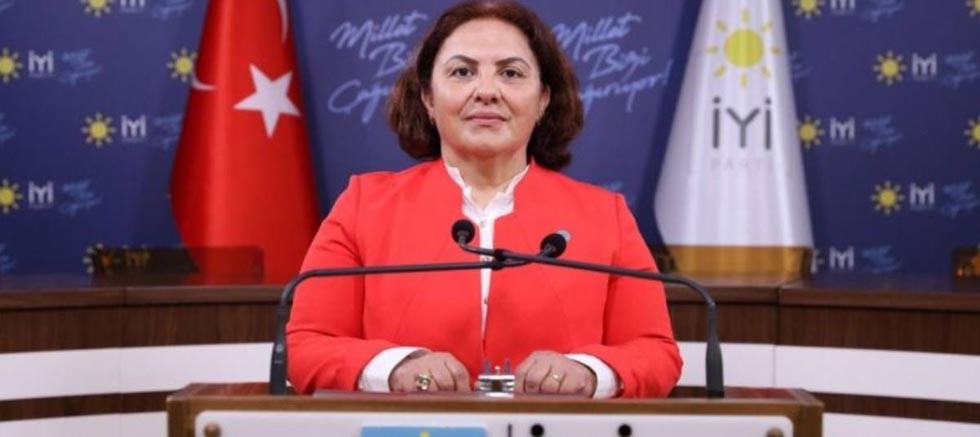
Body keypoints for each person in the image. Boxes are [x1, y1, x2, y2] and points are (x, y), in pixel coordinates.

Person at [287, 0, 681, 398]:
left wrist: (589, 373)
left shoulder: (605, 216)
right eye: (462, 72)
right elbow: (305, 347)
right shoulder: (363, 206)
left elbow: (655, 353)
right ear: (428, 97)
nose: (487, 92)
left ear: (543, 98)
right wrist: (396, 369)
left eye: (511, 73)